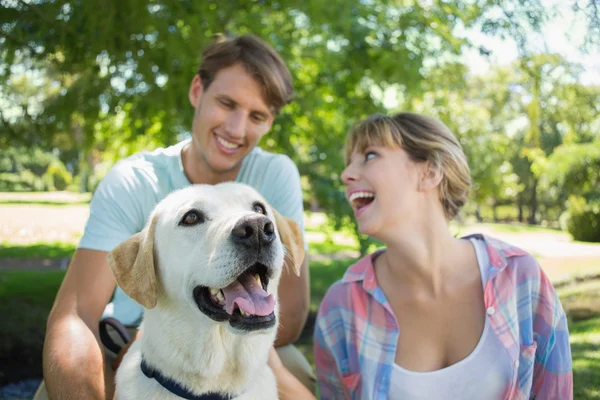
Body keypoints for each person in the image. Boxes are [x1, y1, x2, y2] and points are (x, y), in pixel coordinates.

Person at [37, 34, 314, 400]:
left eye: (256, 116)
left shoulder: (275, 175)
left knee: (292, 370)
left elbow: (289, 317)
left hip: (252, 346)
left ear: (270, 121)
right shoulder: (134, 180)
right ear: (198, 91)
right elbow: (75, 317)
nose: (236, 128)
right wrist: (155, 344)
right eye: (226, 103)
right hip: (131, 339)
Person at [269, 112, 573, 399]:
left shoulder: (520, 277)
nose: (347, 174)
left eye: (370, 155)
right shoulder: (342, 307)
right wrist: (279, 378)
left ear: (430, 172)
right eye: (349, 163)